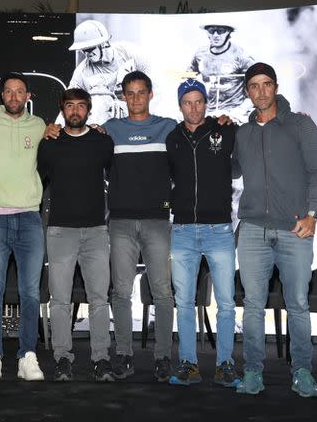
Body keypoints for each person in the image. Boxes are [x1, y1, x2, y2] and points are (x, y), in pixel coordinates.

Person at [233, 62, 317, 398]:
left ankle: (302, 372)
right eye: (254, 86)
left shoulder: (301, 125)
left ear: (275, 87)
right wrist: (219, 128)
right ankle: (253, 373)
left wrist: (313, 214)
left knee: (298, 304)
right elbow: (226, 170)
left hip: (294, 230)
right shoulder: (242, 134)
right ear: (247, 91)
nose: (260, 91)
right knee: (254, 306)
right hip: (253, 230)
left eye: (266, 84)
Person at [165, 79, 240, 387]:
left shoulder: (226, 131)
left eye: (198, 101)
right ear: (180, 105)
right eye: (187, 102)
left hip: (219, 229)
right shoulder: (172, 138)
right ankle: (188, 364)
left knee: (225, 303)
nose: (193, 107)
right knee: (183, 302)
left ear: (206, 103)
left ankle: (226, 364)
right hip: (182, 230)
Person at [37, 88, 114, 382]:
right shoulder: (50, 144)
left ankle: (101, 358)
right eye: (70, 106)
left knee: (98, 299)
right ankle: (62, 358)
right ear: (62, 109)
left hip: (96, 231)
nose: (75, 111)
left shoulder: (102, 142)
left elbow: (117, 177)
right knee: (60, 300)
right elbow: (34, 180)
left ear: (89, 110)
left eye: (81, 106)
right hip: (60, 232)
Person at [103, 71, 176, 382]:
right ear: (122, 96)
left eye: (140, 92)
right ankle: (124, 354)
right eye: (129, 93)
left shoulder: (168, 128)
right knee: (120, 293)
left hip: (158, 222)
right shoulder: (109, 130)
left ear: (150, 94)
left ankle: (163, 357)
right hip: (120, 222)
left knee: (162, 292)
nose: (135, 98)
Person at [0, 73, 46, 382]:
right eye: (9, 91)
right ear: (1, 95)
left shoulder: (41, 126)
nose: (14, 96)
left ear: (27, 95)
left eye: (20, 91)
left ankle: (27, 356)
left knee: (31, 293)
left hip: (30, 218)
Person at [68, 20, 150, 125]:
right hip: (100, 125)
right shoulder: (81, 72)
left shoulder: (130, 54)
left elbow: (155, 87)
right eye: (83, 50)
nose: (87, 54)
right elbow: (69, 102)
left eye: (90, 48)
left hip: (134, 119)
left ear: (104, 43)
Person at [187, 24, 255, 122]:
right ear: (207, 33)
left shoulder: (241, 56)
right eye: (211, 30)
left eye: (221, 31)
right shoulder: (200, 54)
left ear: (229, 32)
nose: (215, 35)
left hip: (234, 113)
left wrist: (241, 110)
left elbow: (258, 84)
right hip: (208, 113)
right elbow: (187, 76)